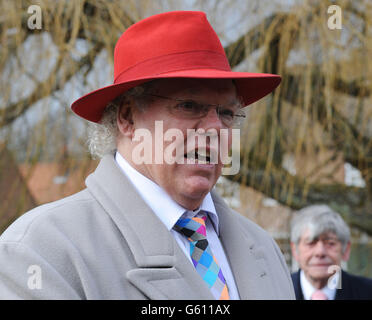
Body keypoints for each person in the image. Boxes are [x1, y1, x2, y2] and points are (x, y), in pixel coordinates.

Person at [0, 11, 295, 300]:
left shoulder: (264, 249)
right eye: (189, 105)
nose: (215, 128)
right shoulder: (41, 251)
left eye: (227, 113)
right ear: (127, 117)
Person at [290, 204, 372, 300]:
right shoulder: (275, 292)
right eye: (311, 243)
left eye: (330, 243)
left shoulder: (368, 292)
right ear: (295, 250)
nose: (320, 252)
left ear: (346, 250)